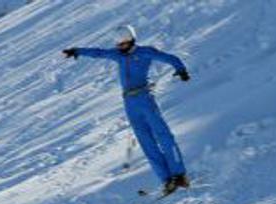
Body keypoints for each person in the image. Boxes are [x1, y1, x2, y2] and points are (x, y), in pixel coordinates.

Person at [63, 25, 191, 195]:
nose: (121, 48)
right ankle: (167, 179)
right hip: (129, 102)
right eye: (118, 45)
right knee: (146, 142)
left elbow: (169, 58)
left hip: (145, 98)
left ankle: (179, 175)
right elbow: (99, 53)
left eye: (124, 44)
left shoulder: (145, 52)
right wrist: (77, 51)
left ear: (132, 40)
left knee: (163, 135)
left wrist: (180, 69)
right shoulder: (117, 55)